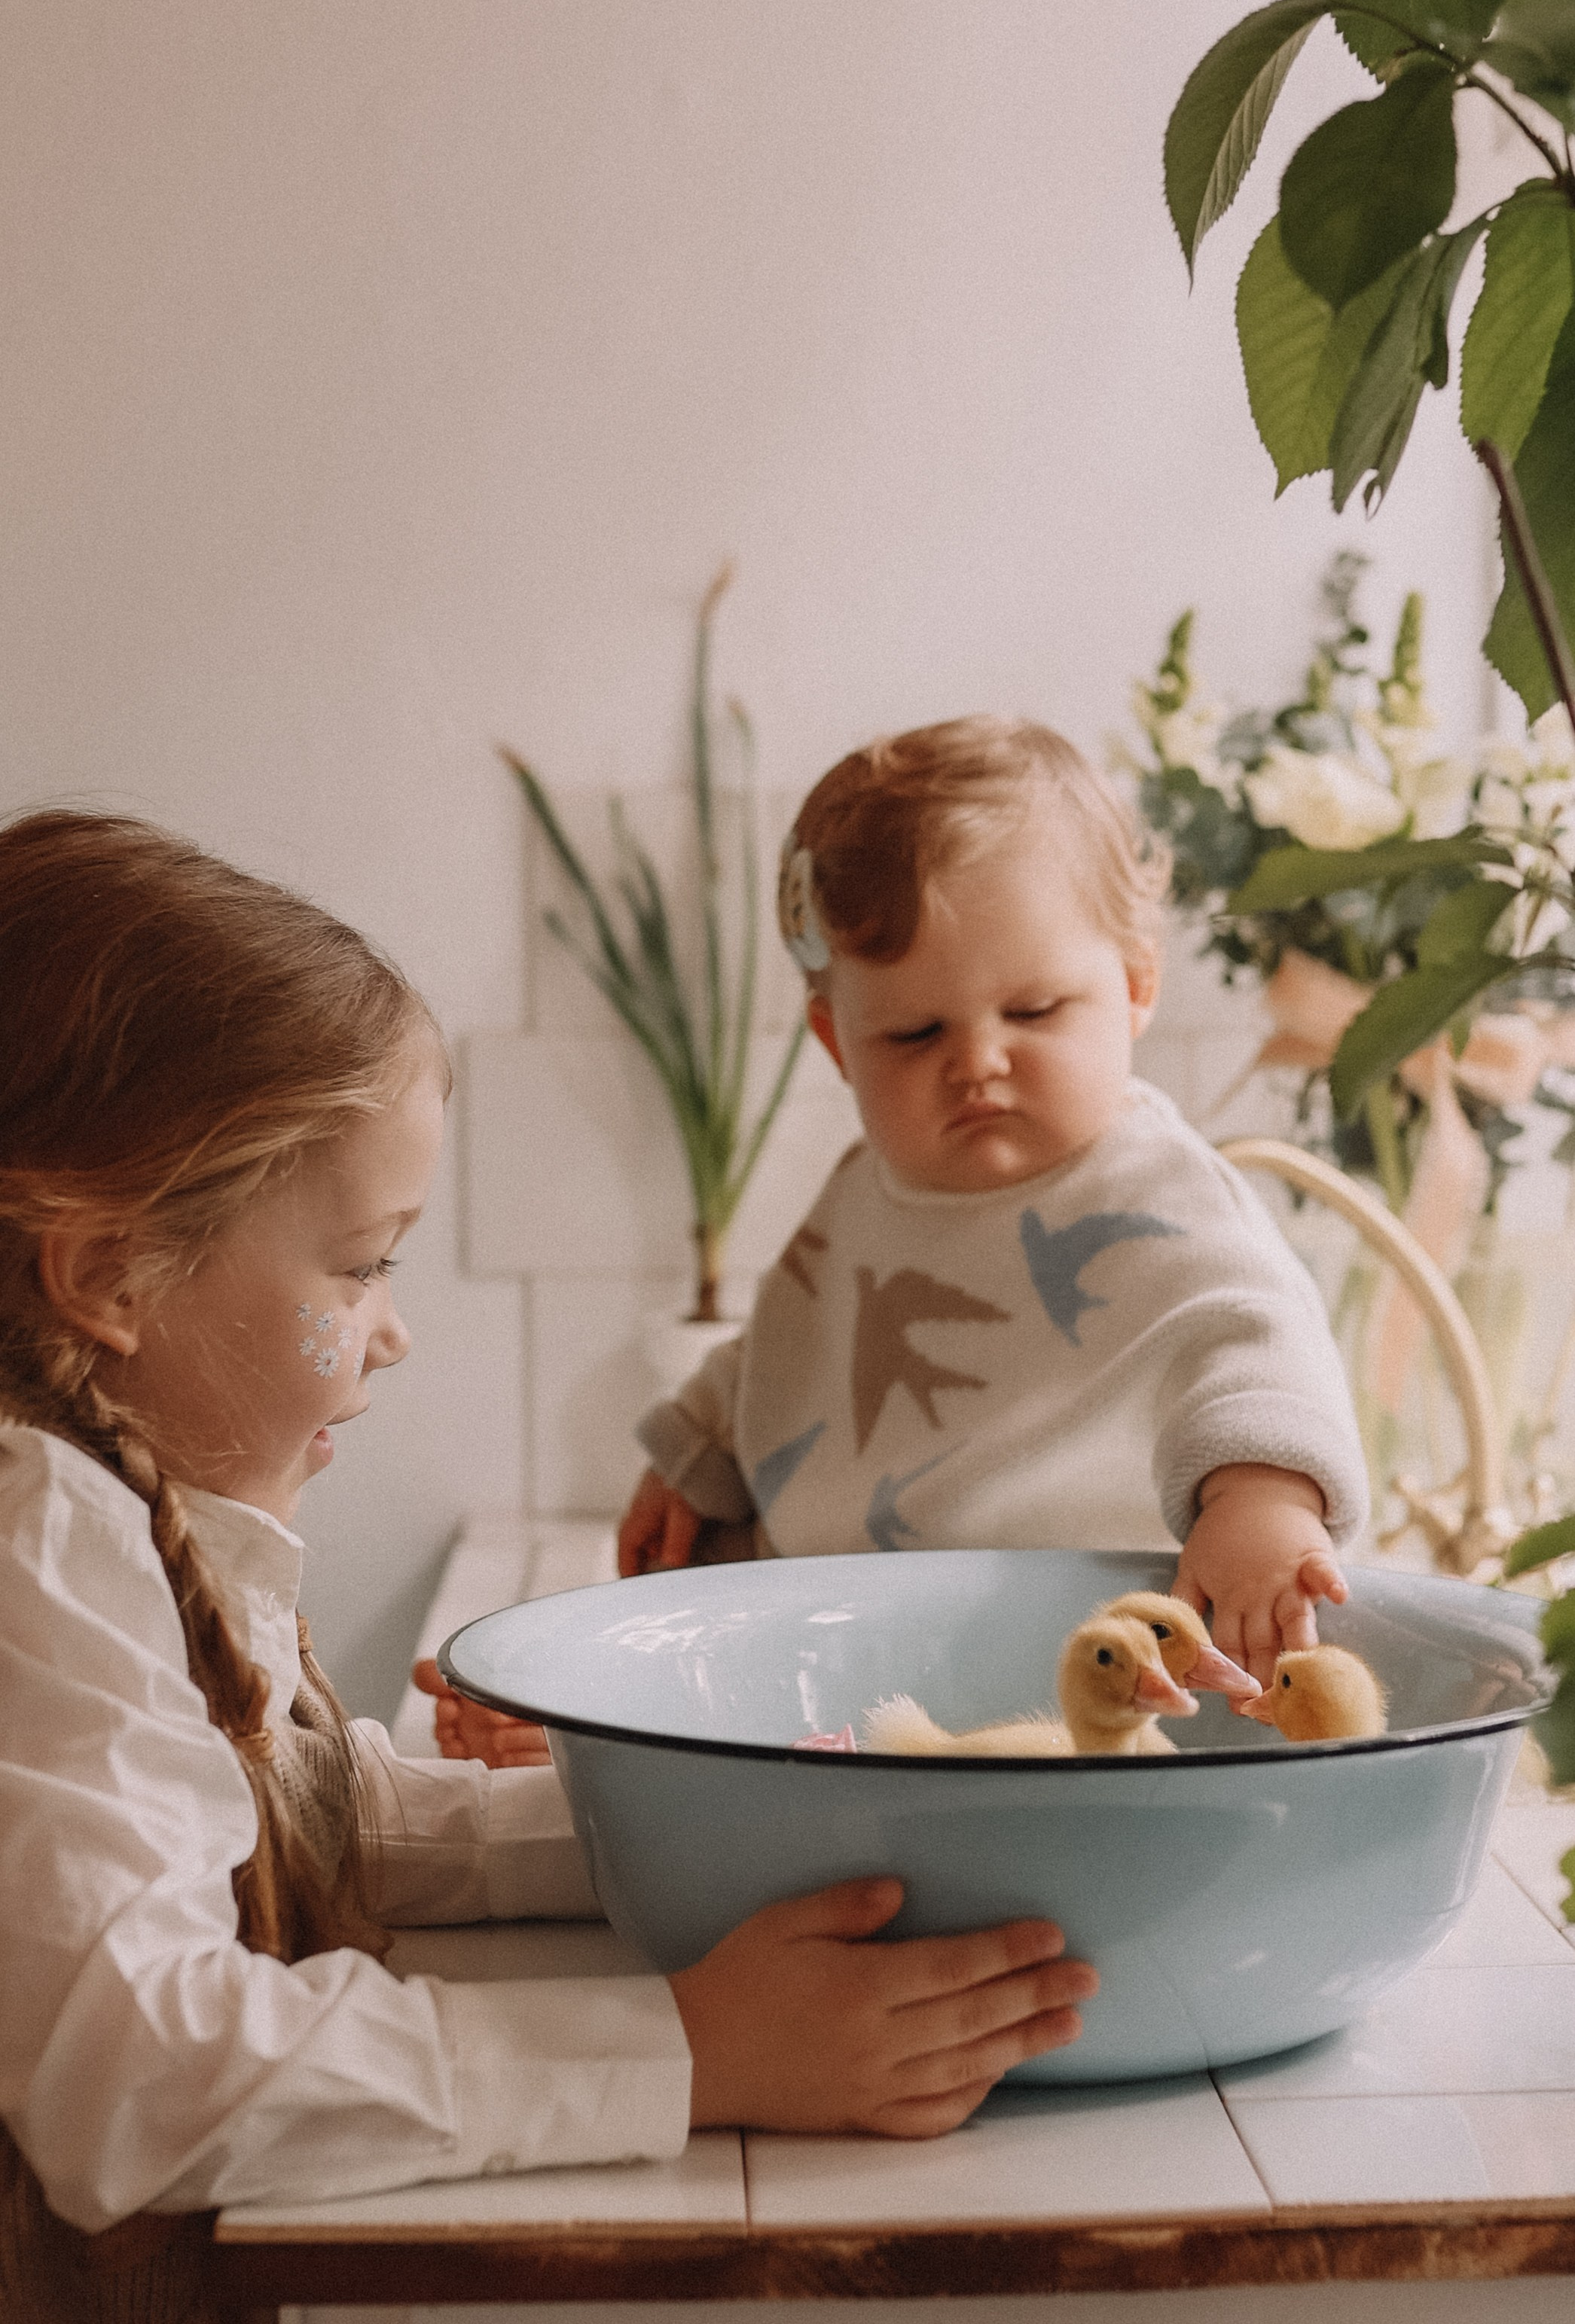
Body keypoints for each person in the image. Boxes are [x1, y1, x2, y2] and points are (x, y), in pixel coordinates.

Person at [0, 810, 1097, 2316]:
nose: (387, 1327)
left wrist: (704, 1831)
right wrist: (694, 2049)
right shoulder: (36, 1540)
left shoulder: (101, 1513)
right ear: (106, 1273)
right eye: (361, 1262)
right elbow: (139, 2073)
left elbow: (311, 1820)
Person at [619, 718, 1369, 1692]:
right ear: (836, 1039)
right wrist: (700, 1446)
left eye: (1034, 1011)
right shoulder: (865, 1189)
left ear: (1137, 986)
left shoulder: (1158, 1193)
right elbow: (799, 1338)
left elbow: (1254, 1350)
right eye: (915, 1032)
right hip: (858, 1649)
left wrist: (1263, 1504)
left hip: (1098, 1657)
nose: (976, 1061)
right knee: (680, 1625)